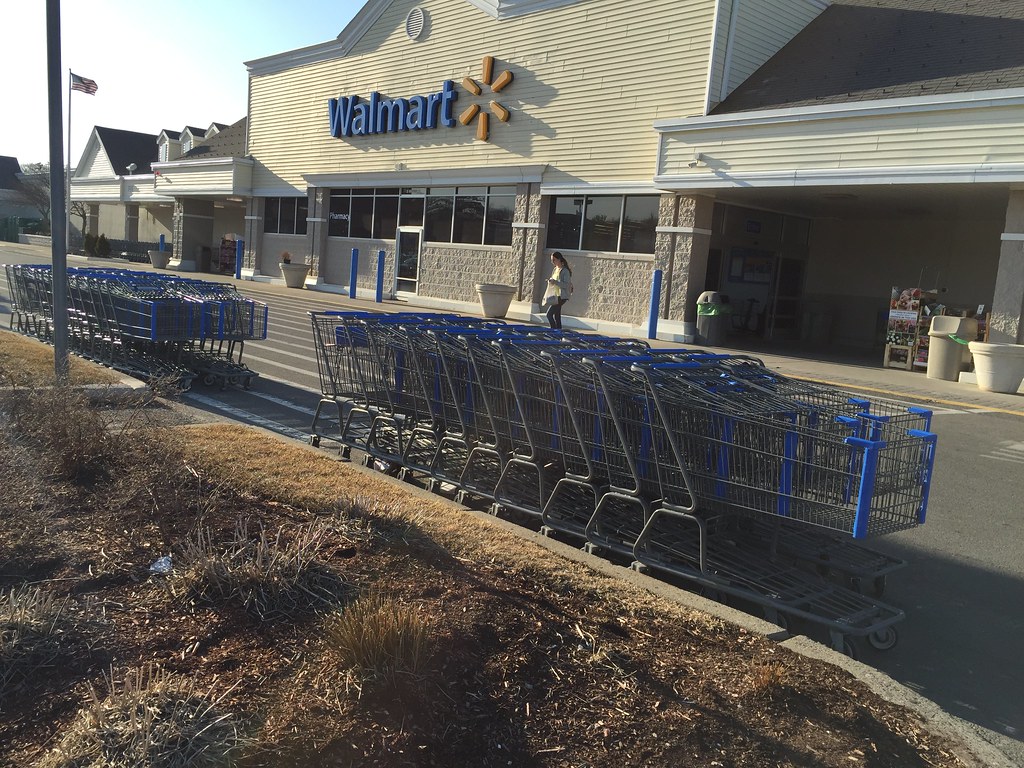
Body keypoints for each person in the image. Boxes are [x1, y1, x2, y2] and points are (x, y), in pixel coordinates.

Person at [545, 251, 573, 329]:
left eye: (554, 260)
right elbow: (554, 281)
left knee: (549, 314)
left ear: (559, 259)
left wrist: (555, 282)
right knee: (557, 316)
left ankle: (553, 331)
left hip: (562, 296)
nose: (552, 262)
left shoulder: (565, 271)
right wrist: (550, 281)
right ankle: (559, 333)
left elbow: (566, 285)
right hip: (555, 295)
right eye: (551, 260)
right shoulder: (555, 269)